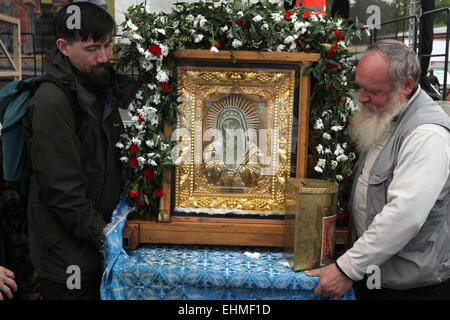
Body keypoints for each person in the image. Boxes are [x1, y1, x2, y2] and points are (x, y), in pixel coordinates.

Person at [305, 39, 450, 300]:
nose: (361, 98)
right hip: (372, 278)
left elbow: (404, 216)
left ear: (406, 85)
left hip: (411, 290)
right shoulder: (385, 114)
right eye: (358, 87)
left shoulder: (427, 134)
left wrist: (346, 269)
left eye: (373, 90)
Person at [22, 2, 138, 300]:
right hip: (68, 258)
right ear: (63, 46)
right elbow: (63, 192)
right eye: (92, 48)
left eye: (108, 46)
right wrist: (107, 238)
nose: (103, 57)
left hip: (91, 244)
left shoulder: (96, 86)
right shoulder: (52, 102)